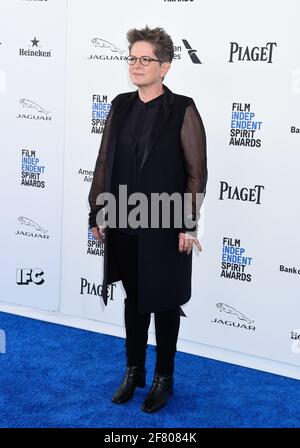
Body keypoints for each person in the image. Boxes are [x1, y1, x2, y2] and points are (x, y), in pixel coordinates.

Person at [88, 25, 207, 413]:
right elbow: (105, 160)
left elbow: (196, 173)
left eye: (145, 59)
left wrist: (189, 224)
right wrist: (99, 210)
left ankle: (163, 378)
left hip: (166, 223)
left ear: (166, 67)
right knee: (135, 299)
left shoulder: (183, 108)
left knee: (166, 302)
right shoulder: (121, 104)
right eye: (132, 58)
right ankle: (134, 371)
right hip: (124, 219)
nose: (136, 65)